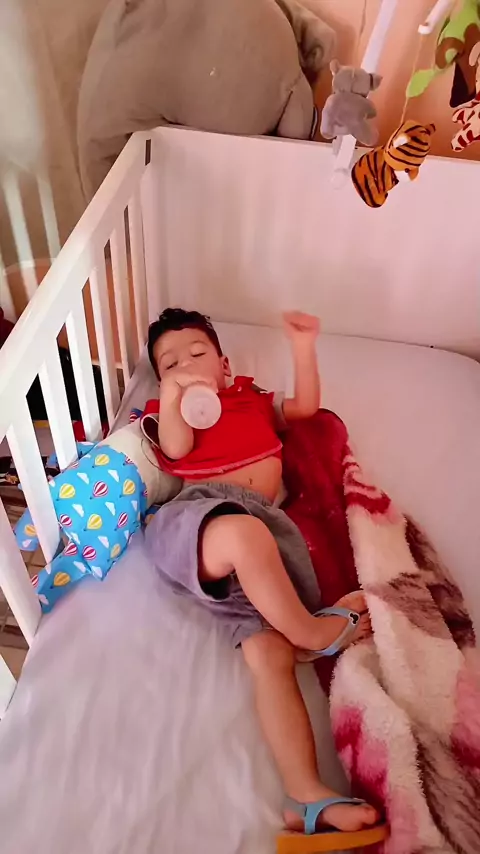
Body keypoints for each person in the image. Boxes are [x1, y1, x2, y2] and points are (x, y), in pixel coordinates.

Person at [141, 307, 378, 835]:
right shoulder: (168, 410)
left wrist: (303, 346)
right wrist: (175, 395)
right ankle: (313, 631)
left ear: (225, 366)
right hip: (197, 518)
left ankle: (305, 796)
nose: (185, 366)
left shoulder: (250, 398)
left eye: (196, 354)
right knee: (244, 537)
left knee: (269, 656)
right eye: (170, 364)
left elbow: (305, 408)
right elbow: (175, 447)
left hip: (262, 534)